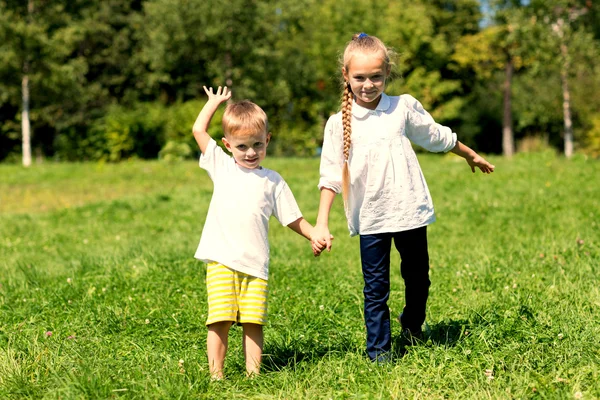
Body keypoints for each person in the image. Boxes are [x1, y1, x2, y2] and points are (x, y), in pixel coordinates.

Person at [310, 33, 495, 362]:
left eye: (376, 77)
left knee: (418, 277)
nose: (368, 84)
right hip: (371, 218)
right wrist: (321, 223)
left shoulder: (402, 107)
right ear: (346, 76)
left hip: (409, 210)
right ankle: (379, 352)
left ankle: (411, 325)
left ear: (387, 73)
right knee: (376, 288)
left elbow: (435, 135)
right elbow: (330, 176)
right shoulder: (338, 123)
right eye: (360, 78)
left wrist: (469, 154)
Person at [192, 86, 325, 379]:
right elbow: (199, 130)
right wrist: (213, 103)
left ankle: (253, 376)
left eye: (257, 144)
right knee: (220, 320)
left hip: (256, 265)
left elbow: (292, 217)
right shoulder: (222, 167)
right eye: (242, 146)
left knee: (254, 322)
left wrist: (314, 233)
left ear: (267, 140)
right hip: (222, 261)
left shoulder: (273, 181)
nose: (250, 152)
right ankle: (216, 375)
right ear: (227, 144)